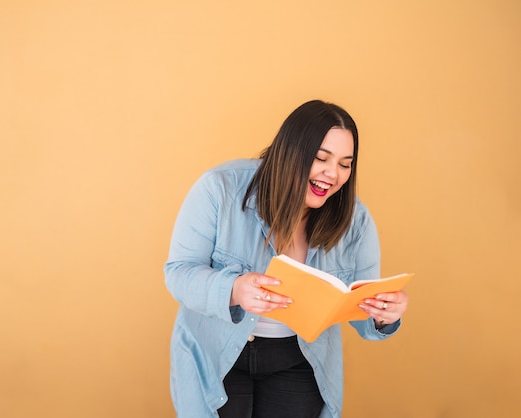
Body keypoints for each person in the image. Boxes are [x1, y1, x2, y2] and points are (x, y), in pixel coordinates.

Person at [164, 100, 409, 418]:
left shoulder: (355, 221)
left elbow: (362, 314)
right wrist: (235, 289)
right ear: (289, 151)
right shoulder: (219, 188)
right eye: (321, 158)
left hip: (298, 360)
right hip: (215, 354)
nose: (332, 174)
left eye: (345, 164)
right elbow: (179, 273)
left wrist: (383, 315)